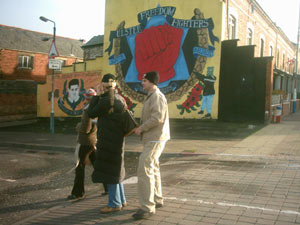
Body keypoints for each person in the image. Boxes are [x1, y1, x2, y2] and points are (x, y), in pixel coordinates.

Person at [87, 73, 127, 214]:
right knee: (116, 171)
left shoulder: (105, 101)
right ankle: (121, 199)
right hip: (118, 140)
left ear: (103, 85)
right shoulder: (120, 99)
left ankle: (114, 203)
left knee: (110, 173)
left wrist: (97, 95)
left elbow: (91, 113)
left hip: (107, 141)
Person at [133, 71, 170, 220]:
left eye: (144, 81)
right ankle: (157, 199)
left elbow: (157, 118)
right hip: (153, 138)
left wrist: (141, 128)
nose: (142, 83)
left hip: (155, 138)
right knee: (153, 167)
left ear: (152, 82)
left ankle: (147, 207)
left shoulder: (156, 96)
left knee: (144, 167)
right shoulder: (151, 96)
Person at [67, 88, 108, 200]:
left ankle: (78, 193)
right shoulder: (97, 108)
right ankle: (108, 188)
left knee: (79, 167)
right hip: (93, 141)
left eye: (86, 97)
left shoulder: (88, 109)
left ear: (86, 98)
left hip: (85, 142)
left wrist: (78, 126)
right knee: (98, 166)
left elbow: (85, 128)